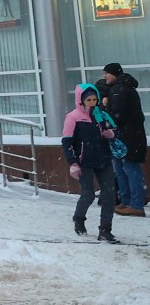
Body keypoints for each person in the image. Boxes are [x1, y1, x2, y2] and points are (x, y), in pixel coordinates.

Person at [62, 83, 120, 243]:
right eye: (88, 99)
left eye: (95, 99)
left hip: (104, 160)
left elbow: (116, 129)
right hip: (84, 161)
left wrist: (111, 133)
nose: (92, 102)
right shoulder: (73, 117)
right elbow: (67, 142)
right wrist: (72, 163)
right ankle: (79, 218)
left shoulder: (102, 115)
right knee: (88, 194)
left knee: (109, 195)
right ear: (81, 100)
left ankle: (105, 230)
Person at [96, 62, 146, 217]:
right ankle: (127, 202)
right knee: (122, 169)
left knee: (129, 169)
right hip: (126, 136)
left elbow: (117, 116)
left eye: (107, 73)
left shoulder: (120, 90)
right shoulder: (119, 89)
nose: (105, 77)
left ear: (115, 74)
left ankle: (135, 205)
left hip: (127, 137)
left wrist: (105, 106)